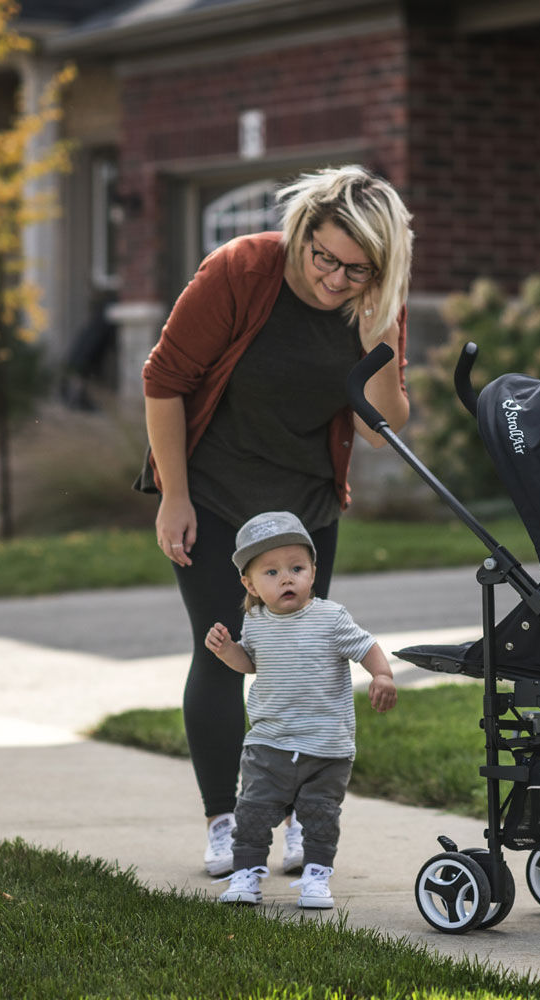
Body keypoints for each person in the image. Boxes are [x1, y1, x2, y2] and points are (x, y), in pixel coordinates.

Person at [135, 164, 413, 877]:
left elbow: (383, 429)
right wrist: (174, 494)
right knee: (223, 651)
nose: (335, 279)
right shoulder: (243, 270)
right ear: (302, 232)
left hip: (304, 506)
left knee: (301, 660)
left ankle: (286, 814)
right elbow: (164, 380)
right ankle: (225, 819)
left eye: (358, 269)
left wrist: (379, 319)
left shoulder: (371, 301)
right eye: (325, 258)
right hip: (217, 492)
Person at [203, 510, 397, 907]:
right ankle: (246, 874)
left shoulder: (330, 617)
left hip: (326, 746)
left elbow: (366, 647)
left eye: (296, 567)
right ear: (249, 584)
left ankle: (316, 876)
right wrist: (229, 653)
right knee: (253, 811)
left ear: (312, 570)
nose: (286, 578)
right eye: (271, 573)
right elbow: (252, 663)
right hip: (269, 741)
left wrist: (382, 676)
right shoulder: (255, 621)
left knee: (320, 815)